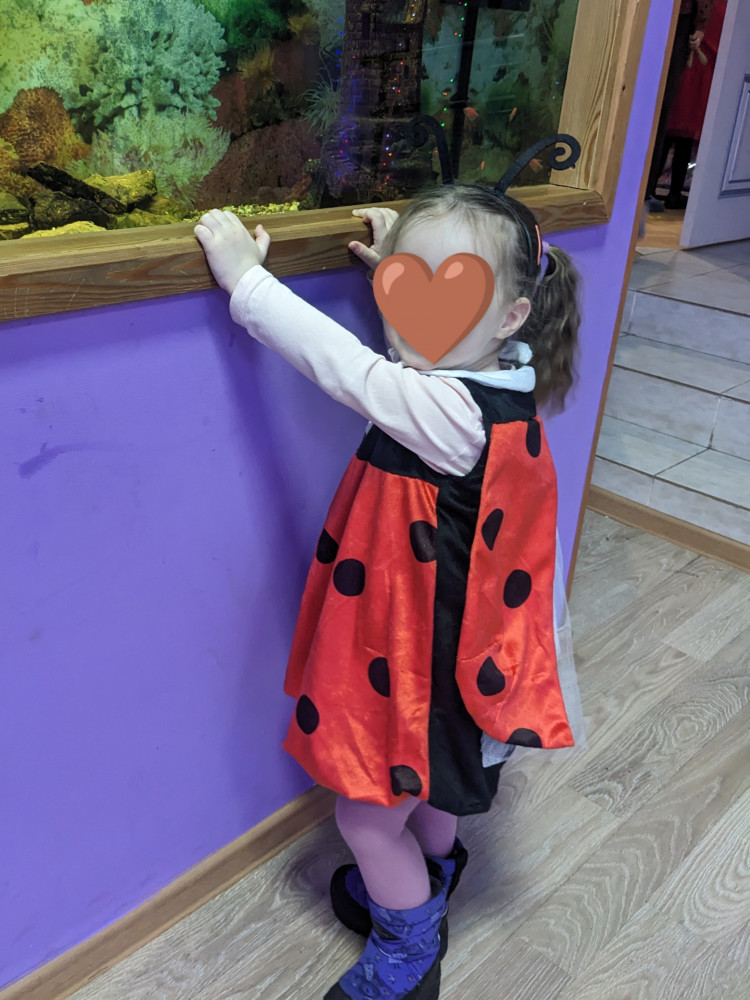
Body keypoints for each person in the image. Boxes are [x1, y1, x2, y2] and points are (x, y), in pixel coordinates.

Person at [194, 184, 584, 1000]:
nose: (408, 312)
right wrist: (399, 269)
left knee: (365, 819)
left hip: (423, 672)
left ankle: (408, 951)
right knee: (433, 788)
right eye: (408, 282)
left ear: (510, 316)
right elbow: (418, 356)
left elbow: (350, 370)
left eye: (449, 288)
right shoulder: (503, 384)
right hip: (466, 667)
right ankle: (432, 875)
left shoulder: (448, 415)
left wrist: (248, 283)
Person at [645, 0, 714, 212]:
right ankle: (650, 191)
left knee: (662, 112)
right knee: (662, 112)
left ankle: (648, 191)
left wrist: (701, 23)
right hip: (670, 18)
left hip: (681, 21)